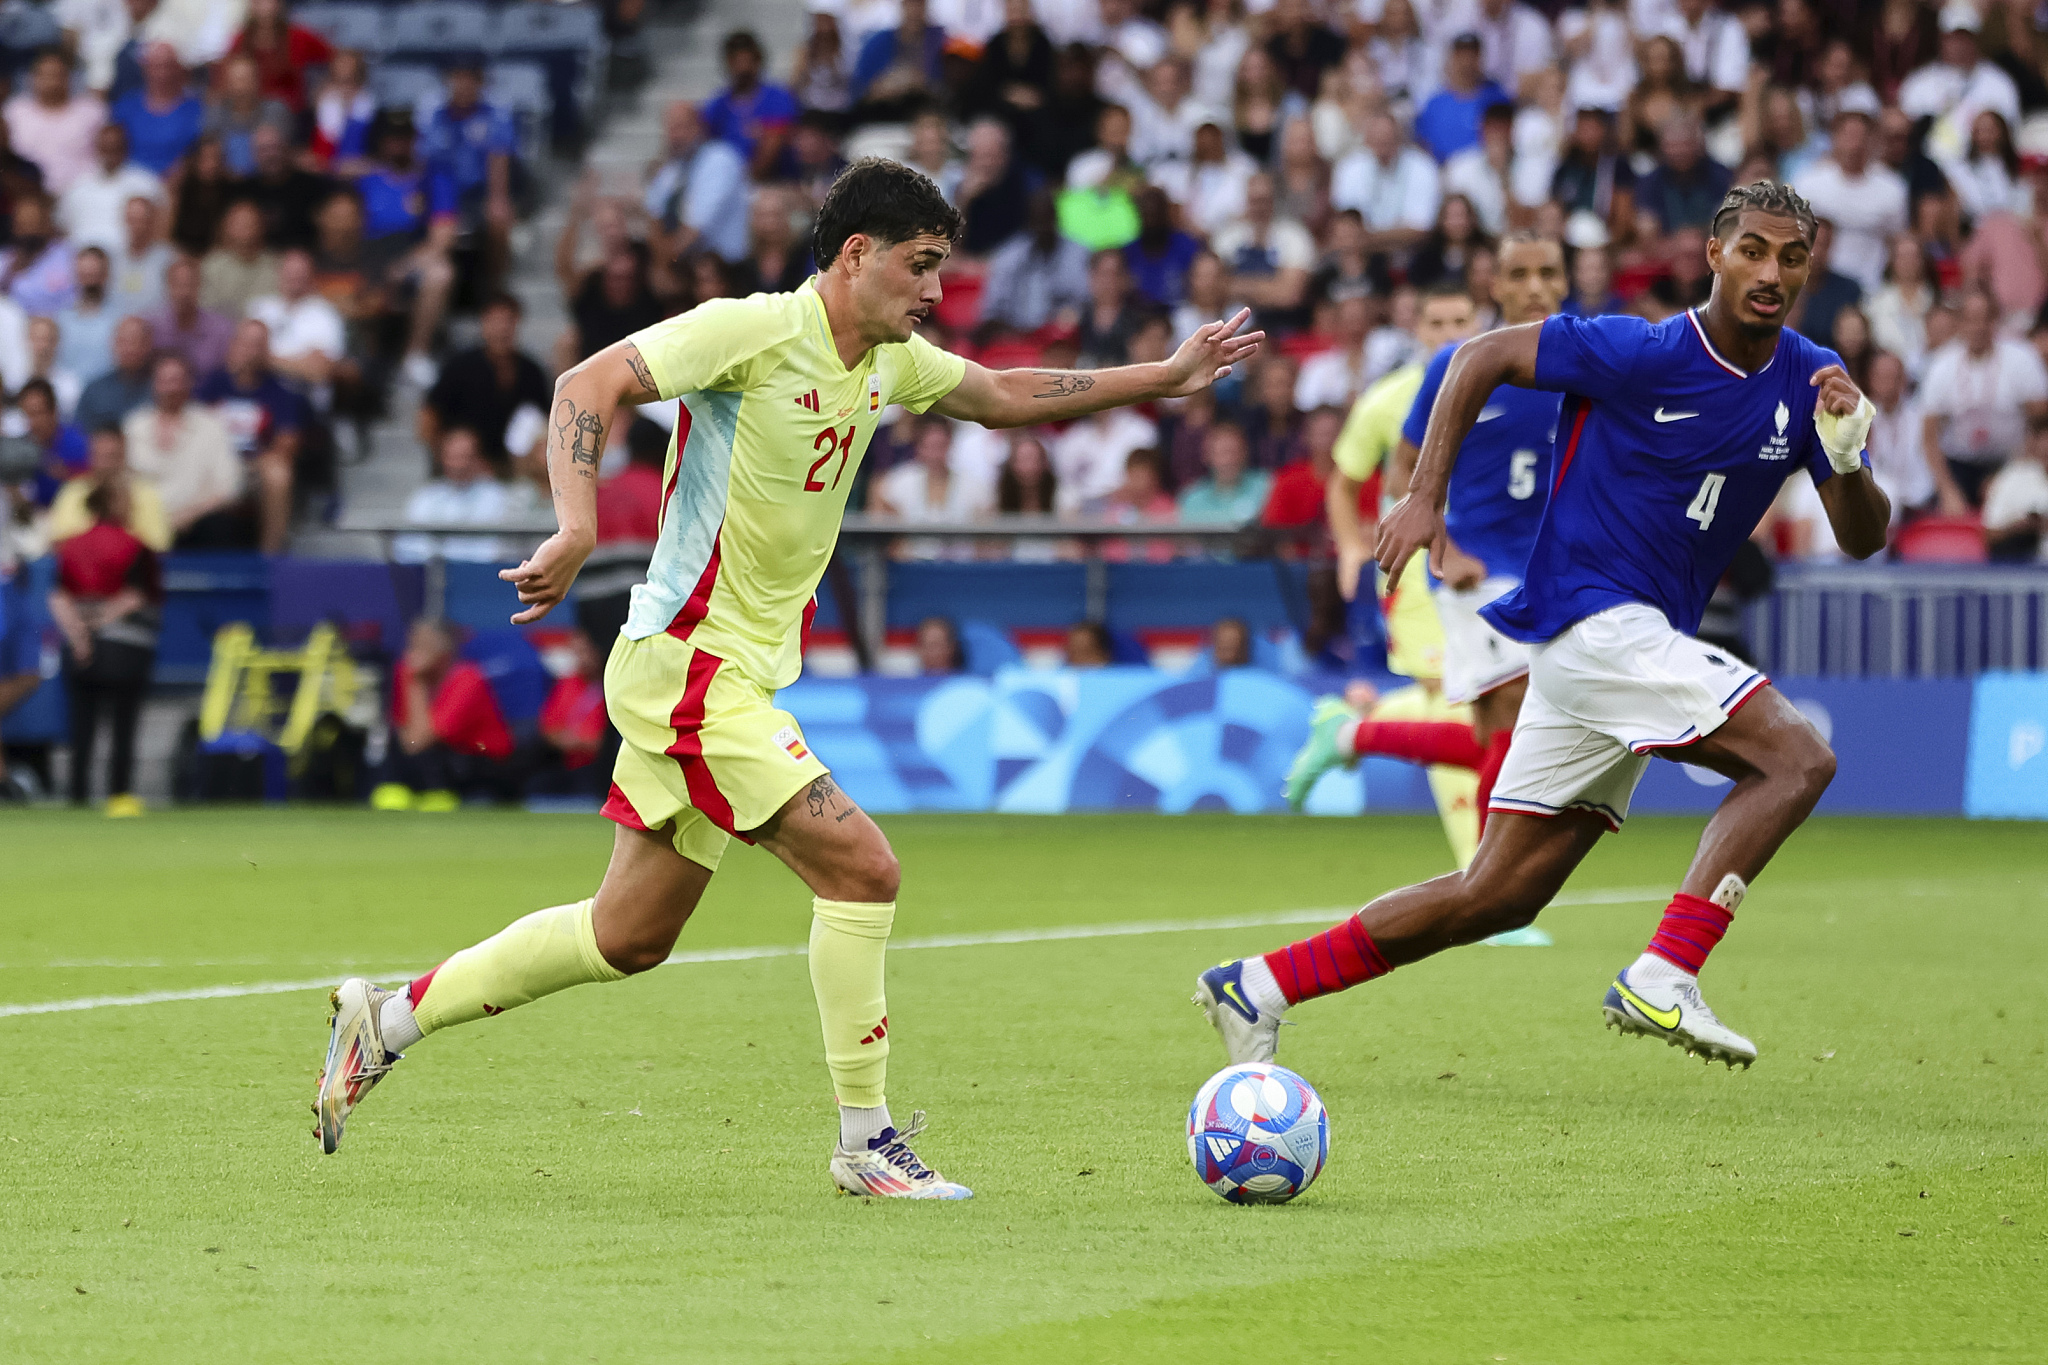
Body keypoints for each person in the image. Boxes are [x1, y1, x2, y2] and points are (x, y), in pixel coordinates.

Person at [311, 157, 1263, 1198]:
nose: (936, 292)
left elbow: (996, 393)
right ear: (855, 256)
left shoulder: (886, 361)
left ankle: (387, 1017)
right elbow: (585, 386)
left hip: (736, 681)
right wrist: (578, 526)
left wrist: (1162, 378)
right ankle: (865, 1142)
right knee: (863, 868)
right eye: (920, 266)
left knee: (627, 935)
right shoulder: (750, 331)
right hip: (689, 665)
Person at [1196, 181, 1891, 1075]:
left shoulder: (1811, 376)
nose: (1773, 271)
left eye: (1792, 256)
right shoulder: (1641, 350)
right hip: (1594, 617)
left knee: (1498, 893)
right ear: (1715, 254)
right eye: (1753, 249)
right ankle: (1667, 968)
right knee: (1796, 759)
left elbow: (1863, 538)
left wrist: (1844, 452)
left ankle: (1257, 986)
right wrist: (1422, 496)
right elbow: (1477, 355)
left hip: (1605, 648)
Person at [49, 475, 161, 815]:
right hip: (126, 646)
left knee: (82, 724)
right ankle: (119, 794)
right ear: (112, 503)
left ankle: (78, 796)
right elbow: (137, 596)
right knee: (124, 723)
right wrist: (101, 623)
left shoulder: (70, 546)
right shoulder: (136, 546)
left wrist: (80, 634)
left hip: (78, 649)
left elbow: (59, 596)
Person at [1919, 288, 2048, 511]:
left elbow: (2040, 426)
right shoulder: (1941, 366)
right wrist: (1947, 489)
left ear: (1995, 319)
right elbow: (1929, 437)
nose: (1978, 327)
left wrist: (2010, 476)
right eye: (1970, 319)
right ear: (1959, 322)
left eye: (1984, 318)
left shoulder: (2022, 359)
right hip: (1959, 464)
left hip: (2012, 461)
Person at [195, 317, 308, 553]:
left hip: (254, 468)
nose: (251, 351)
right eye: (246, 343)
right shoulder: (212, 385)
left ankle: (271, 555)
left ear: (267, 350)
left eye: (258, 345)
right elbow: (190, 425)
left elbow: (288, 443)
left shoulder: (280, 392)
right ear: (234, 345)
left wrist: (253, 462)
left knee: (278, 472)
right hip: (211, 464)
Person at [123, 351, 245, 548]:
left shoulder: (212, 425)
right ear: (153, 384)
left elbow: (229, 488)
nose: (171, 388)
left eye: (177, 380)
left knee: (220, 526)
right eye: (164, 381)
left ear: (190, 383)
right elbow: (122, 481)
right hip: (140, 524)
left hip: (195, 524)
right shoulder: (134, 425)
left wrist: (189, 515)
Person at [419, 293, 551, 472]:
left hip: (515, 468)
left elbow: (544, 419)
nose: (502, 328)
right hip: (463, 467)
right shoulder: (460, 366)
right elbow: (429, 417)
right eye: (495, 321)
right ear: (483, 323)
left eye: (508, 321)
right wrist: (448, 457)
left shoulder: (531, 371)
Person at [393, 426, 515, 564]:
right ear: (443, 459)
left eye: (465, 457)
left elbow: (497, 548)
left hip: (482, 574)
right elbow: (407, 545)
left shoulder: (497, 496)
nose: (459, 465)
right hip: (431, 574)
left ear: (478, 458)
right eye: (453, 457)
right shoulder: (425, 497)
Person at [4, 50, 107, 197]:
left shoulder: (92, 111)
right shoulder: (13, 112)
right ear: (32, 78)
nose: (51, 82)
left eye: (57, 75)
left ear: (68, 77)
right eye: (44, 75)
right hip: (27, 197)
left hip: (81, 195)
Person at [58, 121, 162, 254]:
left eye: (116, 147)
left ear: (126, 148)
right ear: (97, 148)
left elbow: (160, 226)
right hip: (83, 261)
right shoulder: (77, 186)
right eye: (106, 148)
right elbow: (64, 227)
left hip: (129, 262)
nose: (110, 154)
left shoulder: (146, 184)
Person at [110, 42, 204, 175]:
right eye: (156, 67)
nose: (163, 74)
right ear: (145, 69)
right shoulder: (126, 106)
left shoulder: (195, 108)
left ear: (178, 69)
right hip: (132, 181)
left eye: (168, 66)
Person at [144, 252, 232, 377]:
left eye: (189, 285)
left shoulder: (221, 329)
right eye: (177, 285)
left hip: (206, 394)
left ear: (200, 286)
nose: (184, 293)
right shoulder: (150, 325)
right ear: (167, 286)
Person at [1981, 413, 2048, 562]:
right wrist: (2021, 528)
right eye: (2042, 438)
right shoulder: (2012, 478)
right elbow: (1990, 536)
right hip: (2020, 569)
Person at [1176, 420, 1270, 525]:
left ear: (1245, 453)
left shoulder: (1267, 486)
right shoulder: (1191, 499)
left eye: (1235, 451)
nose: (1230, 460)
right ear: (1206, 456)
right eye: (1223, 453)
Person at [75, 314, 157, 434]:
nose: (129, 349)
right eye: (123, 342)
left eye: (136, 341)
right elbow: (80, 434)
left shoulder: (161, 387)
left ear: (148, 345)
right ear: (113, 344)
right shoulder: (95, 390)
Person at [198, 198, 280, 315]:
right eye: (239, 223)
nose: (246, 228)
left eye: (251, 223)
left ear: (262, 227)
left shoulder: (275, 265)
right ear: (226, 227)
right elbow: (205, 311)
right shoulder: (211, 266)